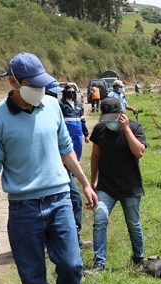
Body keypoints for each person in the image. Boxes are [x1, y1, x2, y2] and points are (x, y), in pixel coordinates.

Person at [0, 52, 98, 284]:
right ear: (13, 82)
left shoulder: (52, 107)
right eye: (33, 85)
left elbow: (65, 149)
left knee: (72, 265)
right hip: (23, 208)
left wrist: (85, 183)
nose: (40, 90)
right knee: (32, 276)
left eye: (43, 84)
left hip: (59, 199)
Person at [87, 97, 147, 273]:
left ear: (121, 113)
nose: (110, 123)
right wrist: (92, 182)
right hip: (106, 187)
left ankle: (139, 260)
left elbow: (139, 152)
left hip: (130, 187)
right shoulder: (100, 129)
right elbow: (96, 156)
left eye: (113, 118)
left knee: (133, 224)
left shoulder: (135, 128)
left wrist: (126, 129)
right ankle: (99, 263)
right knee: (99, 220)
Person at [57, 83, 91, 248]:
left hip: (74, 148)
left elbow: (82, 120)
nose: (71, 93)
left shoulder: (78, 106)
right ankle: (72, 237)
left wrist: (85, 134)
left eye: (73, 91)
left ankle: (73, 236)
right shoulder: (60, 107)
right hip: (63, 154)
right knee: (74, 199)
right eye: (68, 91)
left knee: (73, 198)